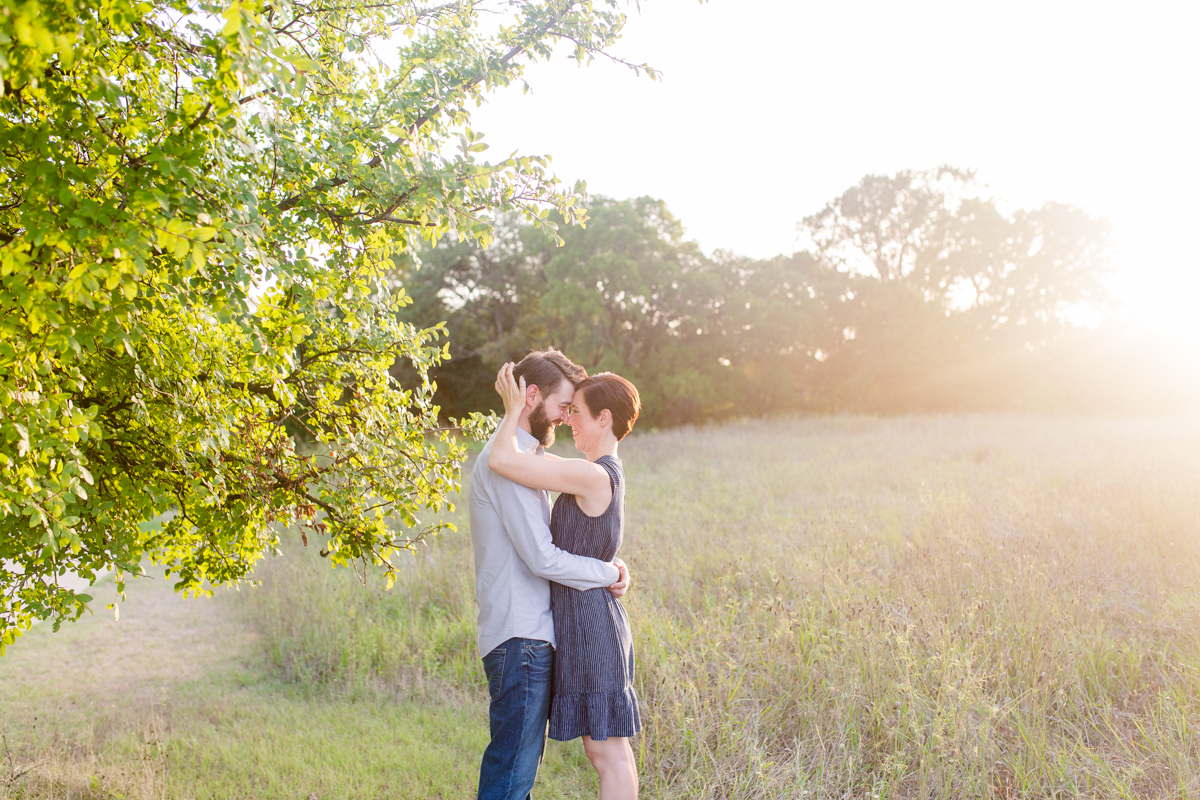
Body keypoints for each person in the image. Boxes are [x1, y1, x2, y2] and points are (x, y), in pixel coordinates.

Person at [468, 348, 631, 800]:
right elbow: (542, 558)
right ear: (532, 396)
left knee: (518, 770)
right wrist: (606, 570)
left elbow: (590, 514)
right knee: (512, 772)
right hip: (520, 635)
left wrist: (613, 567)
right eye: (563, 406)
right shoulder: (506, 462)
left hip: (535, 634)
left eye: (572, 410)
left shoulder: (528, 458)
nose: (563, 417)